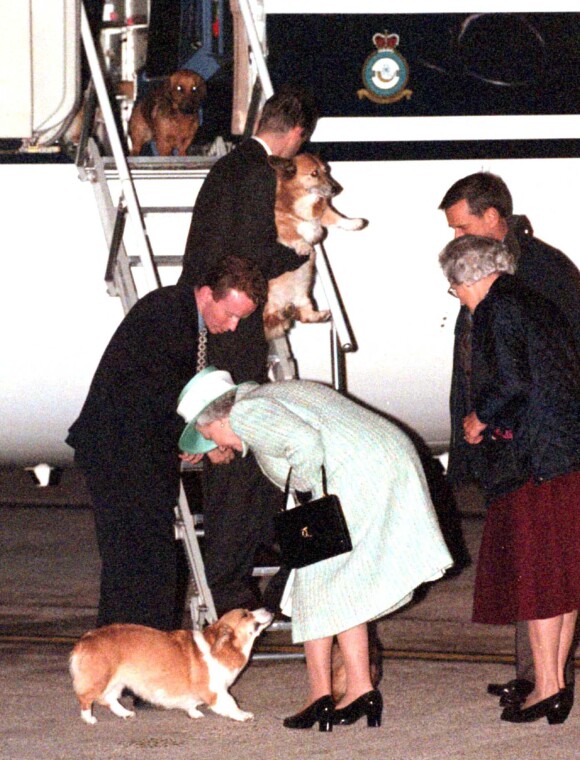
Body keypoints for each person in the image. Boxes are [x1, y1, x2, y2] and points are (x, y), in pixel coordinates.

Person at [178, 369, 453, 730]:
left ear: (219, 417)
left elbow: (305, 446)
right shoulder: (267, 398)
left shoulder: (247, 414)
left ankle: (320, 695)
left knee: (314, 585)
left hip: (359, 478)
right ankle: (359, 690)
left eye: (206, 433)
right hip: (380, 467)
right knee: (338, 586)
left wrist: (308, 502)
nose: (214, 443)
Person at [66, 256, 267, 633]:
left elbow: (164, 398)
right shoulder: (168, 317)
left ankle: (129, 669)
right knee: (144, 570)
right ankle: (135, 668)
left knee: (140, 569)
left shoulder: (180, 316)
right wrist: (205, 439)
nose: (233, 325)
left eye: (242, 318)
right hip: (121, 455)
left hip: (133, 454)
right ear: (207, 293)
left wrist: (192, 436)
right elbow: (156, 395)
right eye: (229, 313)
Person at [439, 171, 580, 707]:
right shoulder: (511, 280)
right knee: (550, 569)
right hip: (548, 446)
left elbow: (520, 375)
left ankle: (544, 683)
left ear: (493, 218)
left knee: (543, 571)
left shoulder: (525, 280)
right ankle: (541, 679)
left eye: (462, 226)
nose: (457, 238)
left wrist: (480, 419)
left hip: (534, 451)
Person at [177, 84, 320, 615]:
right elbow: (255, 248)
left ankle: (238, 563)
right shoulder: (260, 172)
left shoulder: (226, 166)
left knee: (234, 447)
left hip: (210, 315)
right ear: (296, 135)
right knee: (240, 447)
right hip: (232, 329)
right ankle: (235, 576)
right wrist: (298, 252)